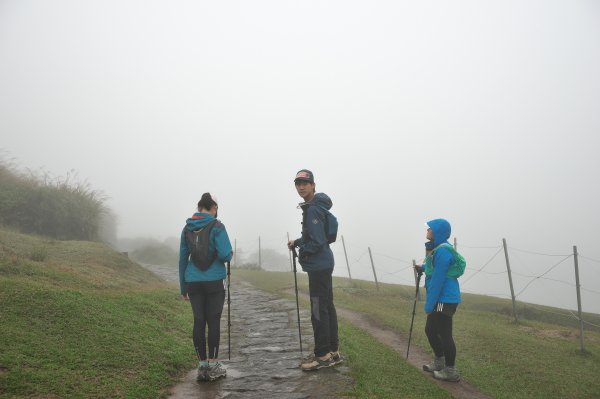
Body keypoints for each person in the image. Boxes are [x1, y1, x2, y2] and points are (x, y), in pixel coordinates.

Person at [287, 169, 342, 371]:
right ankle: (333, 352)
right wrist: (298, 241)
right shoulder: (316, 206)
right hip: (325, 263)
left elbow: (317, 241)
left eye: (305, 183)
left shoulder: (312, 210)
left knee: (318, 309)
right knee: (327, 307)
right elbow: (314, 235)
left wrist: (303, 251)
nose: (301, 187)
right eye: (297, 184)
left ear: (313, 185)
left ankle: (322, 356)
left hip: (319, 265)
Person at [179, 193, 233, 382]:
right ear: (214, 207)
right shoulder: (217, 226)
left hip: (193, 281)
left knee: (199, 321)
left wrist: (183, 287)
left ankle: (202, 366)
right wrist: (229, 252)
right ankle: (214, 364)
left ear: (199, 207)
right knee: (214, 321)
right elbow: (226, 255)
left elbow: (182, 259)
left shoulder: (187, 227)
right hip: (214, 281)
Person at [415, 218, 461, 382]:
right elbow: (434, 269)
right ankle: (439, 362)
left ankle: (451, 371)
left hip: (445, 298)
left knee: (444, 334)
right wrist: (423, 268)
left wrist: (429, 304)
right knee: (430, 330)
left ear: (437, 232)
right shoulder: (438, 249)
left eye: (430, 228)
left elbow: (438, 280)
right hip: (442, 296)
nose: (427, 230)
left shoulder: (443, 251)